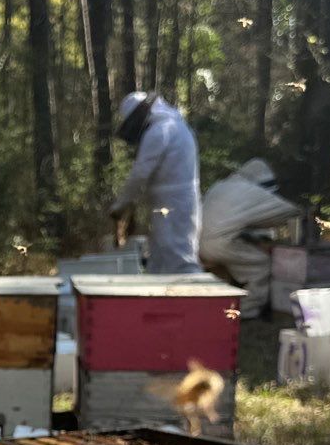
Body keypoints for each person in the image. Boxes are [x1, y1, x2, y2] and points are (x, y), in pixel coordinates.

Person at [109, 91, 203, 275]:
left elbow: (140, 173)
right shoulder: (173, 126)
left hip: (175, 205)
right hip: (171, 204)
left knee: (180, 261)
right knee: (160, 263)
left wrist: (121, 205)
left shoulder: (162, 130)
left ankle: (202, 301)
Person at [198, 158, 300, 318]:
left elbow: (228, 222)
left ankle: (215, 311)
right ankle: (247, 311)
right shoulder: (251, 191)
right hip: (218, 246)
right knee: (262, 264)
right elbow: (292, 211)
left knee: (223, 277)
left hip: (197, 245)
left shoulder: (221, 186)